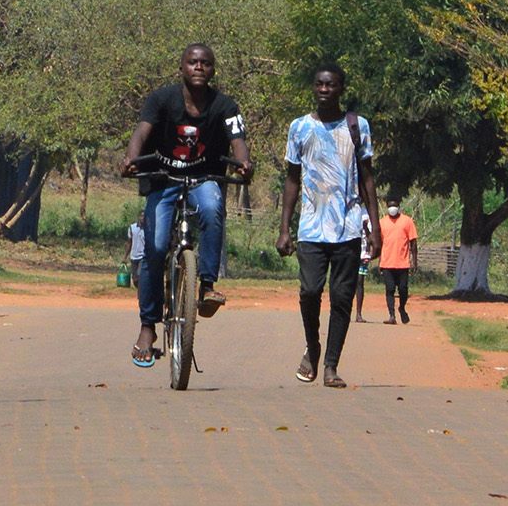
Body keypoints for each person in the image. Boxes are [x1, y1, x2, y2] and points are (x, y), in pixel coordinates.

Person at [118, 43, 251, 369]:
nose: (199, 68)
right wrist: (131, 158)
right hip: (162, 178)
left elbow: (238, 141)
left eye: (205, 63)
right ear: (181, 68)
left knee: (211, 209)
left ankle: (206, 285)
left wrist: (244, 163)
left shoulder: (226, 106)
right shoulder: (162, 99)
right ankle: (148, 326)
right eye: (192, 62)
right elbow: (142, 131)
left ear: (213, 70)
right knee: (156, 247)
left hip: (204, 177)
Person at [275, 64, 379, 389]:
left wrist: (374, 227)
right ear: (313, 88)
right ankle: (314, 346)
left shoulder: (357, 126)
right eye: (319, 84)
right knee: (309, 292)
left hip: (348, 226)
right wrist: (284, 228)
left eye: (330, 85)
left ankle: (331, 365)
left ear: (341, 89)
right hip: (310, 227)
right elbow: (292, 179)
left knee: (342, 297)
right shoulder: (299, 128)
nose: (324, 90)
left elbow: (367, 178)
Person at [377, 202, 418, 325]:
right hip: (387, 262)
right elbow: (380, 243)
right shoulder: (382, 222)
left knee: (403, 289)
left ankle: (402, 308)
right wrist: (380, 262)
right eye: (389, 206)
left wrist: (414, 261)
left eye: (394, 206)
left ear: (398, 207)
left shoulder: (407, 221)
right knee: (389, 289)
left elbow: (413, 242)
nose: (392, 208)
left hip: (403, 263)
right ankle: (391, 315)